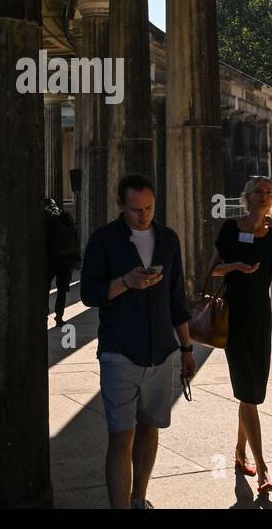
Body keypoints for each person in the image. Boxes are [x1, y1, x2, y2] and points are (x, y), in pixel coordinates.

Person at [81, 173, 195, 509]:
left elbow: (177, 299)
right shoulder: (103, 240)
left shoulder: (168, 239)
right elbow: (89, 293)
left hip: (161, 351)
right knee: (121, 435)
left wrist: (187, 347)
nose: (143, 215)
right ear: (119, 204)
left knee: (150, 429)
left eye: (149, 208)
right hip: (120, 352)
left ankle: (139, 498)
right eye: (135, 210)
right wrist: (126, 282)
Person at [208, 175, 272, 495]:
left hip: (261, 317)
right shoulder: (231, 228)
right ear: (247, 196)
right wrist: (235, 267)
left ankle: (240, 454)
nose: (265, 196)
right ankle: (263, 470)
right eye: (259, 191)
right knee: (249, 393)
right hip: (234, 316)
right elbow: (212, 270)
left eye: (270, 192)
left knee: (252, 390)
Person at [43, 197, 79, 327]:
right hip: (65, 259)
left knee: (44, 289)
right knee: (62, 290)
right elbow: (75, 236)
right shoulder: (65, 216)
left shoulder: (45, 217)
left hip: (50, 258)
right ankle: (59, 316)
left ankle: (44, 315)